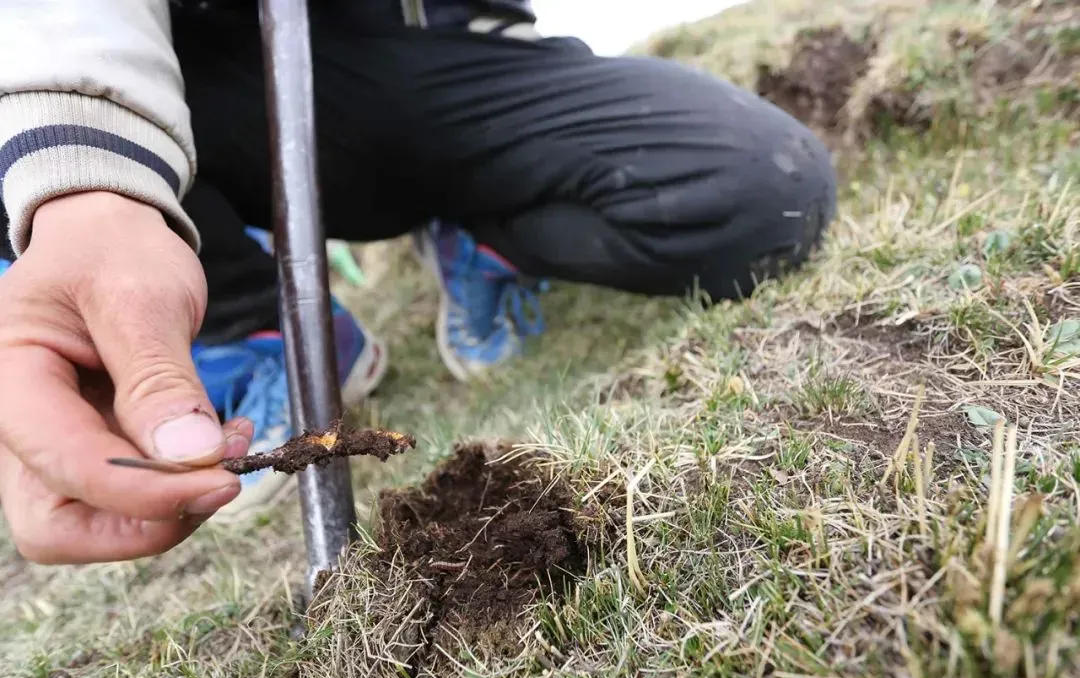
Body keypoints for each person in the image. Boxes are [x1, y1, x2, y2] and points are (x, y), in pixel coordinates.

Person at [0, 0, 836, 564]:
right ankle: (276, 331)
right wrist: (85, 176)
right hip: (213, 75)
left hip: (451, 43)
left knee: (766, 194)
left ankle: (486, 240)